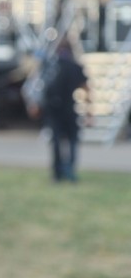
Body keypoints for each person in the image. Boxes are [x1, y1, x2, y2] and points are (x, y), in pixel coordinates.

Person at [42, 38, 89, 182]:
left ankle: (57, 173)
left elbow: (42, 87)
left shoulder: (51, 66)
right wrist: (89, 110)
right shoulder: (74, 66)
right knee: (72, 141)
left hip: (53, 110)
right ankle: (69, 171)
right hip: (69, 109)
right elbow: (86, 88)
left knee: (56, 141)